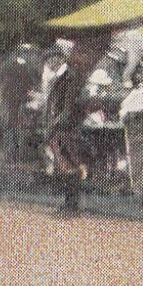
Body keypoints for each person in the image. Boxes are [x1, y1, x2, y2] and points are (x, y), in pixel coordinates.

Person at [42, 44, 91, 214]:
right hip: (62, 127)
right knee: (66, 164)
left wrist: (55, 124)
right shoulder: (64, 76)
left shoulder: (68, 76)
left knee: (68, 164)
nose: (49, 64)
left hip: (65, 128)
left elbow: (68, 107)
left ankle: (72, 203)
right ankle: (70, 202)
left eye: (51, 60)